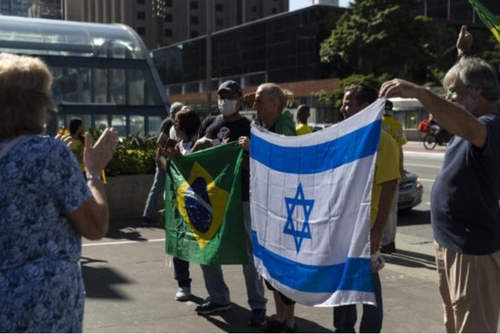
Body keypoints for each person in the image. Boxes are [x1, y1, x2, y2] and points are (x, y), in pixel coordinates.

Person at [380, 49, 500, 333]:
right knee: (454, 320)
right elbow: (463, 99)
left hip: (473, 249)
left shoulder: (490, 126)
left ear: (479, 90)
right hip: (449, 241)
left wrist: (421, 92)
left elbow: (467, 124)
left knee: (473, 325)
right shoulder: (471, 117)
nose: (449, 99)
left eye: (452, 93)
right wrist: (463, 55)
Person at [0, 53, 118, 332]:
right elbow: (96, 225)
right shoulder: (48, 153)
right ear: (35, 103)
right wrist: (93, 173)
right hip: (44, 302)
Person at [192, 80, 268, 327]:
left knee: (248, 255)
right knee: (208, 249)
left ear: (239, 99)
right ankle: (218, 297)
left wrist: (235, 155)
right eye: (220, 95)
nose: (224, 100)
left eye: (229, 96)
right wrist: (202, 146)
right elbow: (194, 158)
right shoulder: (209, 124)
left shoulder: (250, 127)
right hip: (212, 197)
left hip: (242, 198)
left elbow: (257, 166)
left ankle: (257, 305)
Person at [333, 83, 400, 333]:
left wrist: (376, 231)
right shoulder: (343, 136)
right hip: (341, 226)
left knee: (369, 289)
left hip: (363, 230)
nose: (343, 108)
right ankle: (343, 328)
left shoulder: (382, 141)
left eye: (348, 103)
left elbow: (390, 187)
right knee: (342, 284)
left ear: (365, 107)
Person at [239, 83, 297, 332]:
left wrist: (254, 148)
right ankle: (280, 316)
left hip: (282, 206)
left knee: (282, 264)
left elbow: (286, 155)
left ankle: (290, 320)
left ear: (275, 104)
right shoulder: (262, 125)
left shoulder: (284, 124)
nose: (255, 105)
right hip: (265, 204)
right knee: (270, 264)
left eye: (260, 101)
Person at [166, 105, 202, 301]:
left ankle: (217, 293)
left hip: (197, 204)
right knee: (179, 245)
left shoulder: (200, 144)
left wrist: (181, 160)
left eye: (177, 124)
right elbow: (168, 170)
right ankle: (183, 283)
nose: (174, 127)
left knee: (200, 245)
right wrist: (163, 157)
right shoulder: (177, 145)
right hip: (178, 203)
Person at [141, 101, 184, 227]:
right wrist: (165, 154)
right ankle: (148, 216)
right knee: (159, 187)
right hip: (164, 160)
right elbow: (160, 141)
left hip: (164, 159)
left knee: (164, 188)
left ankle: (153, 215)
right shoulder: (170, 122)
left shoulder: (168, 121)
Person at [380, 100, 407, 254]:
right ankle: (389, 241)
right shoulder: (396, 125)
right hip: (393, 171)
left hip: (376, 170)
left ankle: (379, 239)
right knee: (391, 209)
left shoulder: (375, 123)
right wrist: (401, 168)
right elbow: (400, 148)